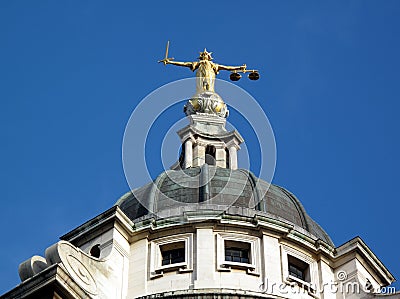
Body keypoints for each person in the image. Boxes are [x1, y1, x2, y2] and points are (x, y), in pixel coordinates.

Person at [161, 49, 246, 93]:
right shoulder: (198, 63)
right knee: (201, 87)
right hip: (200, 74)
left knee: (209, 87)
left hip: (210, 74)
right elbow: (184, 63)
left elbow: (227, 67)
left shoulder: (213, 65)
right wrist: (170, 62)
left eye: (206, 55)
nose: (205, 55)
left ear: (209, 57)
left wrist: (239, 68)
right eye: (204, 55)